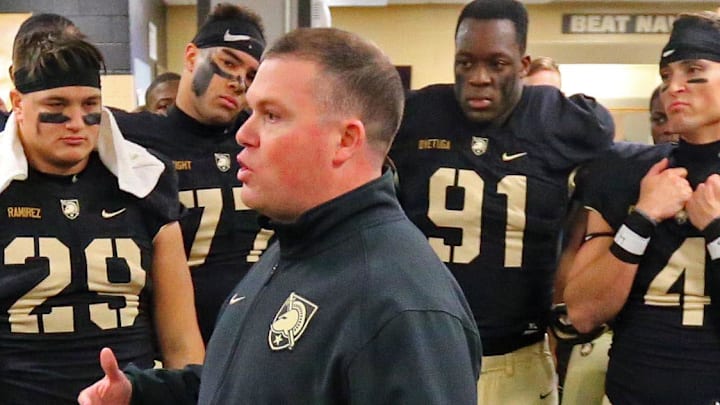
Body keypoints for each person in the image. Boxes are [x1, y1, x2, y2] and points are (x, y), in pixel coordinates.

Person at [77, 27, 482, 405]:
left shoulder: (401, 307)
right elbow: (253, 382)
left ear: (345, 140)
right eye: (250, 111)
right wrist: (144, 392)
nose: (243, 133)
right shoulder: (295, 245)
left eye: (271, 116)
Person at [389, 1, 615, 403]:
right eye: (465, 63)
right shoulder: (414, 114)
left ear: (523, 65)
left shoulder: (559, 118)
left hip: (517, 359)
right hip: (424, 352)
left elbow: (610, 165)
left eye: (497, 64)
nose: (479, 78)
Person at [0, 29, 204, 404]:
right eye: (57, 105)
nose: (77, 121)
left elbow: (180, 337)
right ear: (18, 102)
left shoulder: (145, 180)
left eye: (90, 103)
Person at [564, 11, 720, 404]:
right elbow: (582, 312)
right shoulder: (629, 171)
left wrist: (716, 232)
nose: (674, 88)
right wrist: (642, 219)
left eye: (693, 71)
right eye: (667, 75)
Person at [113, 3, 270, 344]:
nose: (239, 83)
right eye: (228, 63)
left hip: (264, 336)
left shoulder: (265, 137)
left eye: (252, 75)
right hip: (177, 338)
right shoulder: (132, 135)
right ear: (190, 57)